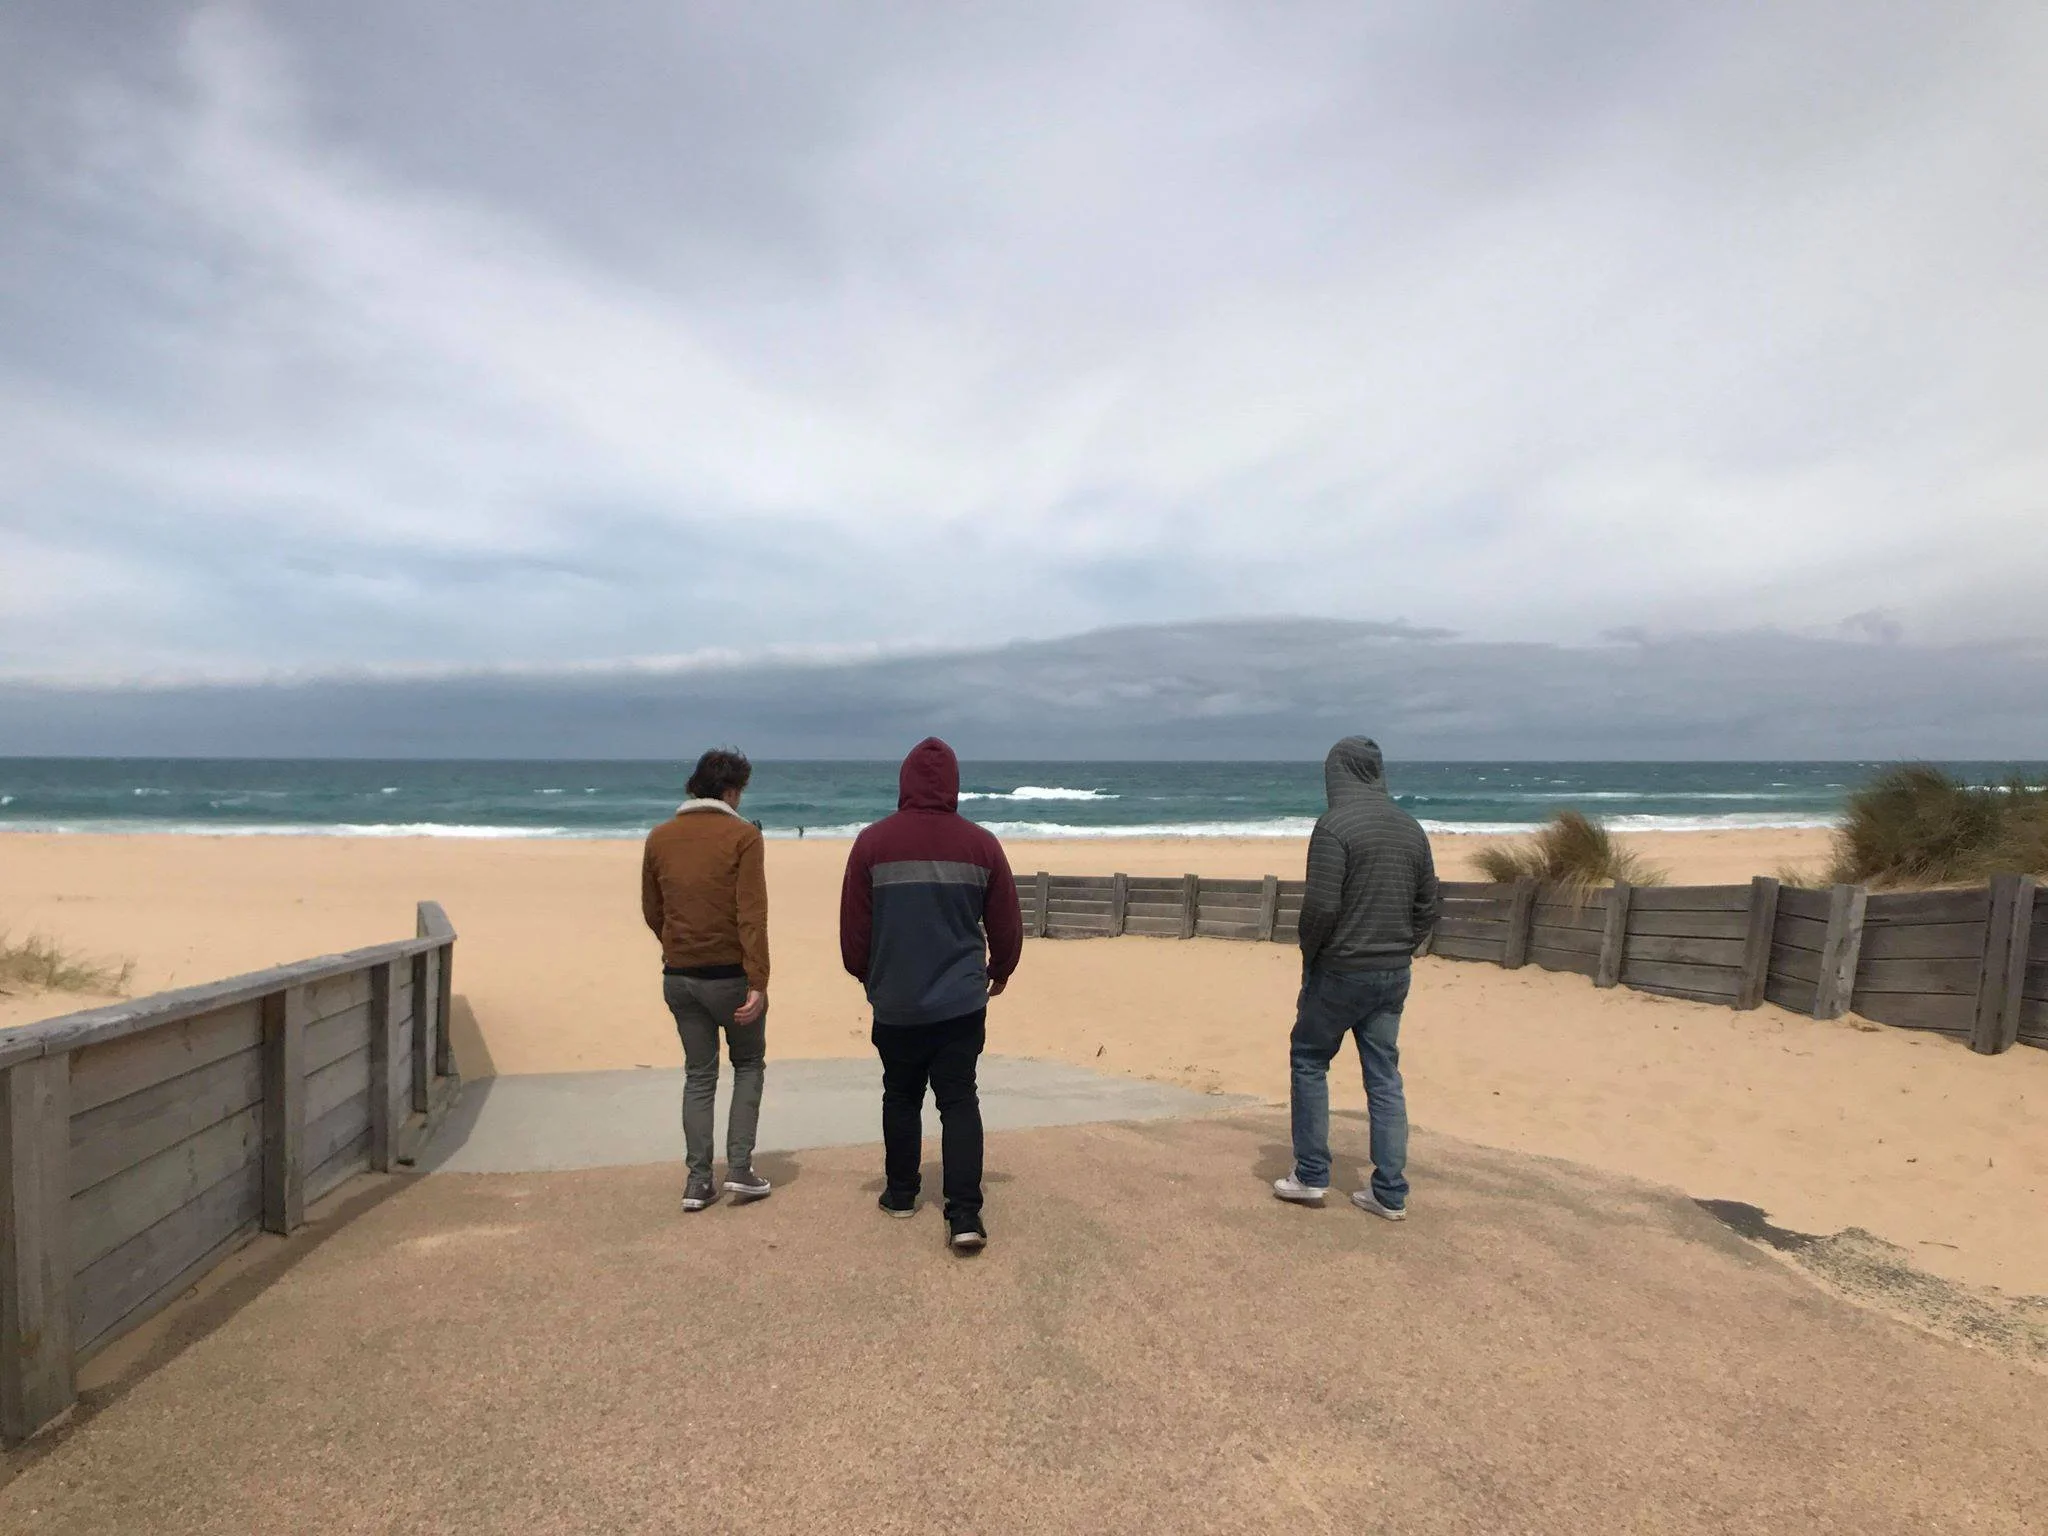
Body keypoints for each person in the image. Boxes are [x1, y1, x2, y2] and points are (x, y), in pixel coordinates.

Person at [840, 737, 1022, 1252]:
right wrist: (1001, 968)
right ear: (954, 786)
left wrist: (868, 977)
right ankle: (964, 1214)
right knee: (959, 1100)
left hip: (895, 1001)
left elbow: (855, 930)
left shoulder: (872, 844)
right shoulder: (982, 844)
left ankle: (901, 1194)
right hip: (961, 1003)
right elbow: (1007, 921)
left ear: (904, 782)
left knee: (900, 1096)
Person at [1273, 737, 1439, 1220]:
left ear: (1337, 774)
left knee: (1309, 1058)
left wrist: (1311, 953)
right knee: (1385, 1076)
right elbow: (1428, 904)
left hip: (1340, 969)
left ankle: (1310, 1174)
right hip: (1393, 973)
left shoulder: (1334, 827)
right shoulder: (1412, 829)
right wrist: (1402, 946)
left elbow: (1321, 906)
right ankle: (1390, 1192)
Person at [642, 747, 771, 1212]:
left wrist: (675, 945)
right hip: (730, 975)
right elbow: (752, 915)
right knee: (749, 1065)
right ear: (732, 791)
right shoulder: (743, 836)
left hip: (679, 976)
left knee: (699, 1075)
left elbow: (652, 910)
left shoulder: (659, 837)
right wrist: (759, 980)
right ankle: (739, 1169)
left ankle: (698, 1181)